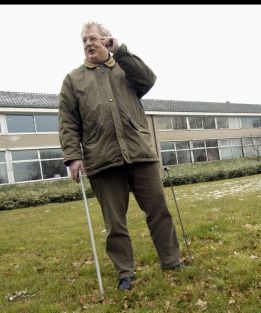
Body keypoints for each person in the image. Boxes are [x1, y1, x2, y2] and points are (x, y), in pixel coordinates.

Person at [59, 21, 186, 291]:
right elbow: (68, 121)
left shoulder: (125, 68)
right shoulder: (74, 80)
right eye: (84, 41)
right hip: (102, 160)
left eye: (93, 38)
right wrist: (73, 156)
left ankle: (172, 260)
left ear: (106, 40)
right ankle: (125, 273)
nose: (88, 44)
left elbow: (148, 79)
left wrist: (122, 51)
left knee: (158, 211)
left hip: (139, 152)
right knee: (115, 223)